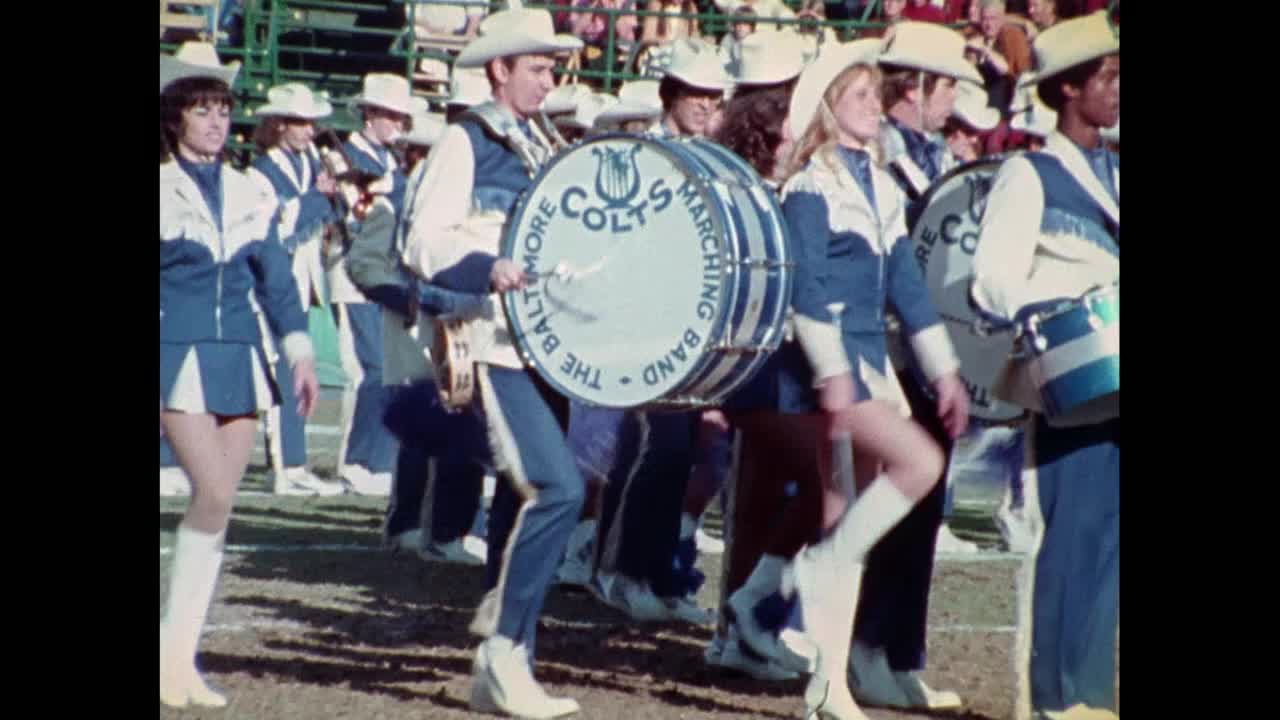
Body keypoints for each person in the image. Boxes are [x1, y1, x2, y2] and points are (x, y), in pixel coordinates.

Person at [736, 38, 970, 719]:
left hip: (868, 366)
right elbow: (806, 289)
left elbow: (907, 288)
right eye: (862, 95)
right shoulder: (811, 186)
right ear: (830, 110)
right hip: (826, 366)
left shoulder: (876, 182)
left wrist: (945, 371)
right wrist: (834, 375)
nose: (877, 104)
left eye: (875, 93)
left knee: (847, 521)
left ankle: (827, 687)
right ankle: (810, 569)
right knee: (919, 464)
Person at [399, 8, 589, 717]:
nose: (548, 78)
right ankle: (503, 646)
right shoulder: (464, 140)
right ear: (499, 70)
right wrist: (491, 266)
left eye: (550, 67)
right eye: (536, 67)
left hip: (544, 346)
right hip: (494, 342)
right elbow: (423, 244)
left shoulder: (540, 142)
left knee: (520, 499)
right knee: (558, 488)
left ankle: (507, 669)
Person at [160, 42, 320, 708]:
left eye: (223, 109)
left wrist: (301, 351)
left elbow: (277, 279)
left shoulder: (249, 188)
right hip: (176, 353)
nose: (217, 122)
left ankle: (178, 658)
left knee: (220, 508)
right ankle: (172, 656)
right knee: (214, 495)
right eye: (203, 110)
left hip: (241, 358)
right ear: (175, 118)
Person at [970, 11, 1119, 720]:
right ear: (1068, 91)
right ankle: (1053, 701)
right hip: (1071, 382)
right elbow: (992, 281)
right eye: (1108, 78)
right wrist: (1076, 300)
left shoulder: (1116, 171)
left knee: (1109, 547)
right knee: (1069, 542)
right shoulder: (1029, 173)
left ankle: (1088, 695)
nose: (1119, 90)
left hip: (1115, 385)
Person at [342, 104, 490, 566]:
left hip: (456, 321)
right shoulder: (392, 201)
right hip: (410, 323)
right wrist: (402, 298)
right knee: (422, 425)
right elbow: (363, 263)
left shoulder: (467, 206)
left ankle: (448, 528)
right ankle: (407, 521)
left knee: (461, 420)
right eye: (418, 154)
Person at [248, 82, 346, 497]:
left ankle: (295, 461)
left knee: (298, 371)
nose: (310, 131)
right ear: (278, 124)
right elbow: (279, 224)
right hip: (272, 280)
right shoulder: (260, 171)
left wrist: (332, 194)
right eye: (301, 123)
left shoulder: (308, 163)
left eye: (311, 123)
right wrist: (316, 198)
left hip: (302, 277)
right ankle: (284, 466)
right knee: (280, 368)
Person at [331, 73, 418, 496]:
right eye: (393, 116)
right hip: (356, 276)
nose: (400, 125)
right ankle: (355, 459)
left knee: (393, 370)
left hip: (388, 274)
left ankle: (378, 460)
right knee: (372, 369)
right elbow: (355, 219)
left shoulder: (392, 162)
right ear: (370, 115)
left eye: (402, 117)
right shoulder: (344, 157)